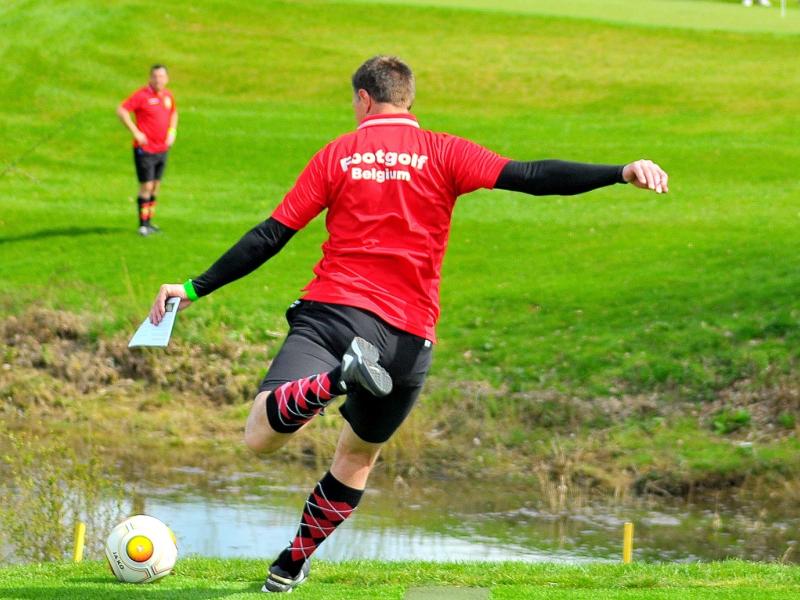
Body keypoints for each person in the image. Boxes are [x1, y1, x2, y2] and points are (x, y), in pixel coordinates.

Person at [147, 55, 668, 593]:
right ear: (408, 98)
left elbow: (271, 234)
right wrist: (618, 171)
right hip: (409, 340)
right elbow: (532, 176)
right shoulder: (445, 150)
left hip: (336, 313)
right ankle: (290, 566)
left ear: (364, 99)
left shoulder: (338, 154)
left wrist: (194, 288)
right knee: (357, 455)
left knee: (261, 435)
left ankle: (336, 379)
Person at [117, 64, 178, 236]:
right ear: (150, 78)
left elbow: (174, 113)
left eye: (161, 76)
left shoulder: (167, 96)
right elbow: (122, 110)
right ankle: (143, 225)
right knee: (147, 185)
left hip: (162, 148)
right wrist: (136, 132)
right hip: (145, 149)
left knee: (156, 186)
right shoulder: (142, 96)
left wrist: (172, 132)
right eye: (155, 76)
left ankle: (149, 222)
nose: (158, 80)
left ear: (167, 79)